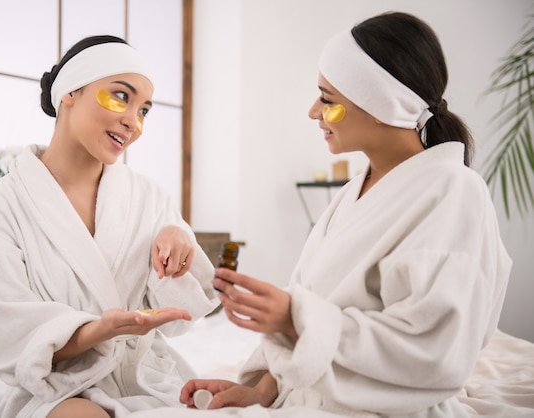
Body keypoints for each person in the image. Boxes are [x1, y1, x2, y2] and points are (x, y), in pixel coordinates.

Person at [130, 11, 512, 418]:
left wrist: (295, 318)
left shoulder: (454, 193)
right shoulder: (351, 195)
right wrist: (261, 391)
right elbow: (314, 314)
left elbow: (437, 351)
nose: (314, 112)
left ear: (381, 103)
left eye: (328, 101)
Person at [0, 35, 219, 418]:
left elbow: (181, 317)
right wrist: (100, 330)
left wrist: (179, 248)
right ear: (70, 92)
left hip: (148, 380)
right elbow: (10, 338)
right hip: (56, 388)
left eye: (144, 110)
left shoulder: (148, 197)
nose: (133, 122)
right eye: (120, 97)